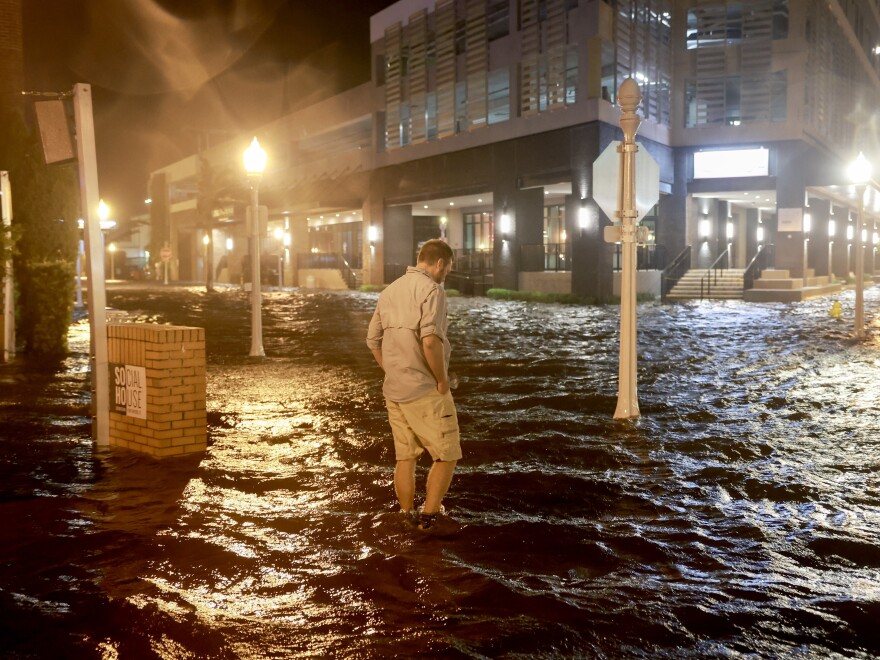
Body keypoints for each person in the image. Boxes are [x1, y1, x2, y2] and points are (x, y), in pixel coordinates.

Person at [366, 239, 461, 530]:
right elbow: (430, 341)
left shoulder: (389, 290)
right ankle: (430, 517)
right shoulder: (433, 290)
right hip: (424, 390)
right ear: (440, 264)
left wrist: (393, 370)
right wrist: (442, 380)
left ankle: (406, 514)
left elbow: (372, 341)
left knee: (405, 457)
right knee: (446, 454)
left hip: (394, 390)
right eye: (448, 269)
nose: (446, 275)